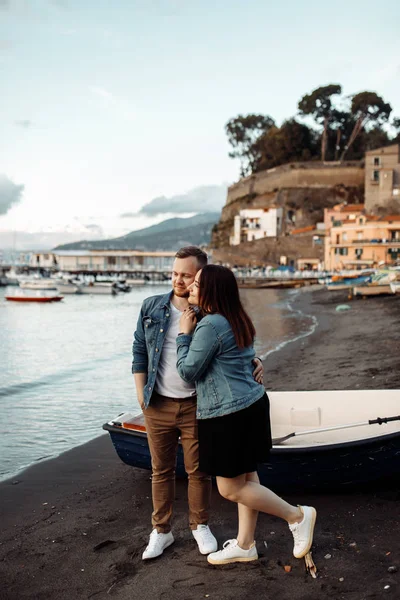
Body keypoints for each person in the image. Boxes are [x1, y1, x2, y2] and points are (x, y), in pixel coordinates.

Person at [176, 264, 317, 565]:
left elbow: (188, 371)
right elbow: (242, 355)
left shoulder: (210, 325)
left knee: (230, 488)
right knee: (247, 479)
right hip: (250, 405)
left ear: (211, 290)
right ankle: (245, 544)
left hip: (228, 415)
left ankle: (297, 516)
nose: (191, 287)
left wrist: (183, 337)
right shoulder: (235, 317)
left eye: (197, 284)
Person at [132, 247, 264, 560]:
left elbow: (234, 345)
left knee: (198, 471)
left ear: (199, 278)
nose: (179, 280)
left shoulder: (209, 311)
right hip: (158, 403)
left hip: (197, 404)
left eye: (187, 276)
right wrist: (141, 394)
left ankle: (199, 525)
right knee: (160, 471)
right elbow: (139, 351)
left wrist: (256, 359)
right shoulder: (151, 306)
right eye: (175, 273)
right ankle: (161, 531)